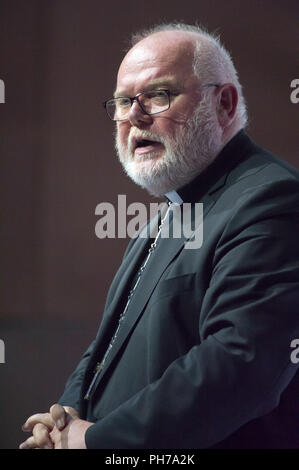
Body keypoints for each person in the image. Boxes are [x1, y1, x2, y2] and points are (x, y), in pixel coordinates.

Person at [19, 23, 299, 449]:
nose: (134, 115)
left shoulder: (272, 200)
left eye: (158, 94)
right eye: (123, 101)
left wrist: (101, 441)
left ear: (223, 104)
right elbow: (108, 344)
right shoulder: (166, 214)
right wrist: (67, 414)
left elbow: (241, 362)